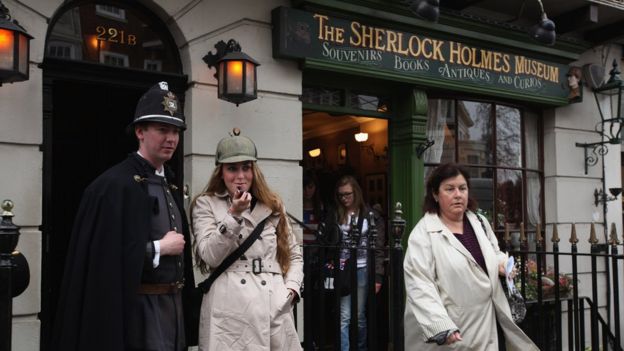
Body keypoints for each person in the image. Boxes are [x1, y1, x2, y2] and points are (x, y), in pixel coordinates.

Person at [52, 81, 196, 351]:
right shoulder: (112, 186)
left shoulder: (171, 185)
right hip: (135, 313)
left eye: (175, 131)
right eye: (162, 129)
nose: (171, 138)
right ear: (140, 131)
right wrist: (158, 248)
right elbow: (101, 260)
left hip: (172, 310)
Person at [403, 163, 537, 350]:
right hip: (451, 333)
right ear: (435, 194)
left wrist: (501, 263)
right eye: (449, 189)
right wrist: (441, 327)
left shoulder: (479, 222)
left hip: (486, 323)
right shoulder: (423, 234)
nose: (458, 194)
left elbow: (493, 252)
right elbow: (420, 284)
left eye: (462, 188)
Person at [191, 129, 303, 350]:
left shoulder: (273, 205)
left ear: (254, 170)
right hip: (230, 311)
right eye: (232, 168)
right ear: (221, 172)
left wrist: (290, 290)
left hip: (273, 305)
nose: (240, 176)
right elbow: (210, 256)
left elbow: (294, 254)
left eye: (246, 167)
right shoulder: (206, 204)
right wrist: (233, 215)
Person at [323, 175, 385, 351]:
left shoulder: (370, 215)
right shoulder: (335, 214)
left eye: (348, 194)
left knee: (358, 316)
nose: (344, 198)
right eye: (341, 195)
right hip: (342, 269)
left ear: (356, 192)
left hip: (363, 268)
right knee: (344, 315)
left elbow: (379, 249)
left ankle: (360, 347)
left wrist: (378, 276)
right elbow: (326, 242)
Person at [302, 170, 325, 244]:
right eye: (303, 188)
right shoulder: (296, 207)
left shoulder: (323, 207)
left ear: (316, 187)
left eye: (310, 187)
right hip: (299, 249)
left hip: (316, 250)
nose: (307, 191)